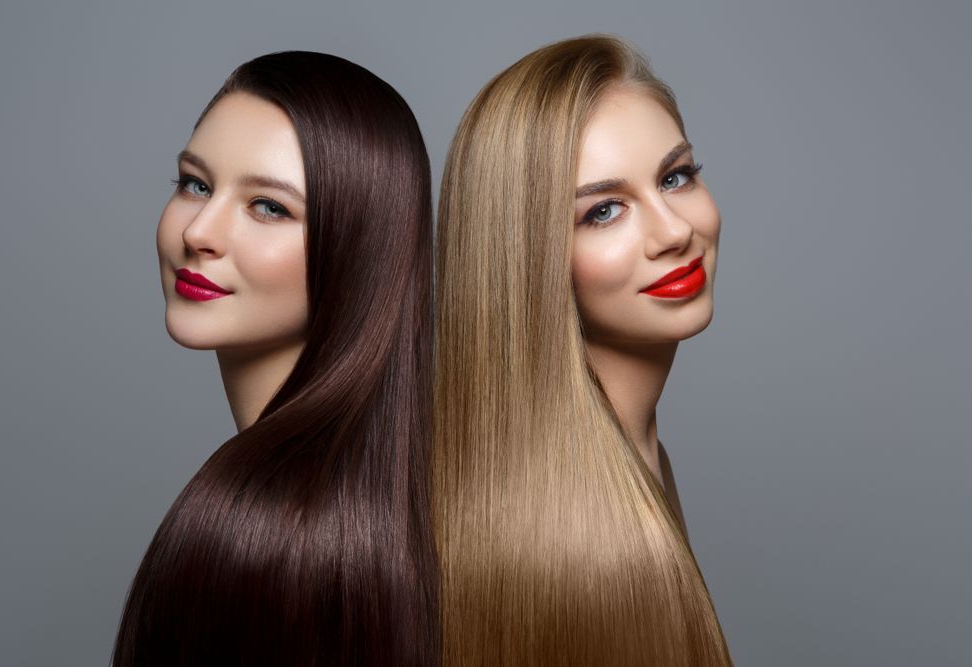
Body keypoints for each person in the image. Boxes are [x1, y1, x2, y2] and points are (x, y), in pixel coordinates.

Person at [113, 51, 439, 666]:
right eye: (195, 184)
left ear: (364, 248)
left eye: (269, 206)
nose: (199, 231)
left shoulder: (255, 530)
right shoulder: (404, 499)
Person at [433, 35, 732, 665]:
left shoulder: (630, 459)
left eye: (676, 177)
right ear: (524, 255)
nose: (675, 230)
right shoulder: (593, 544)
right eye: (603, 211)